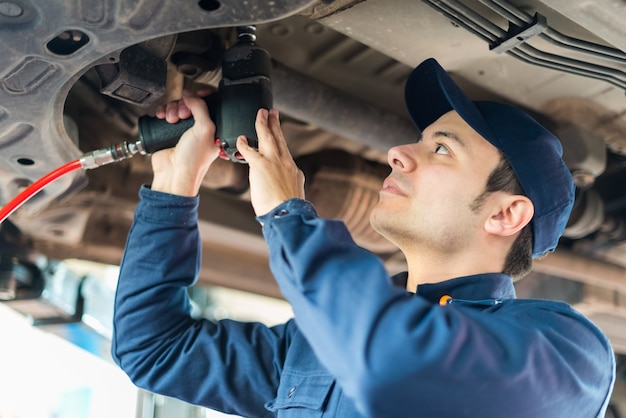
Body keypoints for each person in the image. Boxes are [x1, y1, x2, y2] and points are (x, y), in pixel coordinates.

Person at [112, 58, 615, 417]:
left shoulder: (567, 355)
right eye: (420, 140)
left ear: (507, 214)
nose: (398, 151)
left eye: (441, 149)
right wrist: (175, 186)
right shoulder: (318, 342)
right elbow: (154, 348)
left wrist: (289, 217)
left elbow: (395, 361)